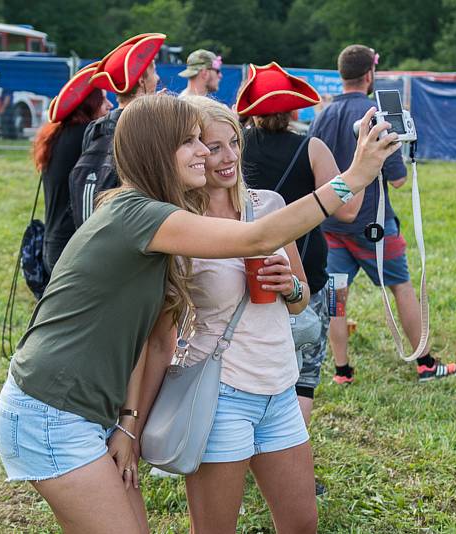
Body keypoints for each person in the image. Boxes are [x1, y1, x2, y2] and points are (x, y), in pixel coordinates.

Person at [0, 94, 400, 534]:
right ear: (157, 150)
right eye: (192, 142)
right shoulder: (140, 214)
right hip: (52, 410)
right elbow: (256, 238)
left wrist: (128, 427)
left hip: (87, 409)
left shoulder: (148, 215)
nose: (206, 152)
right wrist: (355, 176)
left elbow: (151, 340)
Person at [154, 94, 316, 532]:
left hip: (281, 387)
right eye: (212, 146)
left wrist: (292, 285)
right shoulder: (180, 225)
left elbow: (301, 303)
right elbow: (163, 328)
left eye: (234, 143)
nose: (227, 158)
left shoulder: (268, 206)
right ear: (189, 152)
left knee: (302, 523)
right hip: (220, 391)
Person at [236, 62, 365, 497]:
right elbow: (344, 207)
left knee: (243, 375)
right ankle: (291, 473)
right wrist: (359, 176)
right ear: (295, 109)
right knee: (301, 378)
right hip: (301, 276)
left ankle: (240, 460)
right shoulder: (312, 148)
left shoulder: (231, 146)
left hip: (239, 273)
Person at [309, 44, 456, 384]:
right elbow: (400, 180)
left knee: (336, 296)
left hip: (330, 222)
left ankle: (342, 370)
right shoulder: (377, 115)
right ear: (369, 75)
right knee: (402, 288)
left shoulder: (323, 115)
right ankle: (425, 363)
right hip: (372, 226)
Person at [70, 33, 163, 228]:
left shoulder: (94, 127)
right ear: (141, 82)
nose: (158, 78)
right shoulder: (146, 126)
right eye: (154, 72)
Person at [33, 63, 112, 273]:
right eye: (103, 99)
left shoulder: (60, 133)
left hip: (54, 241)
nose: (109, 105)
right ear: (89, 104)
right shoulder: (85, 134)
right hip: (68, 247)